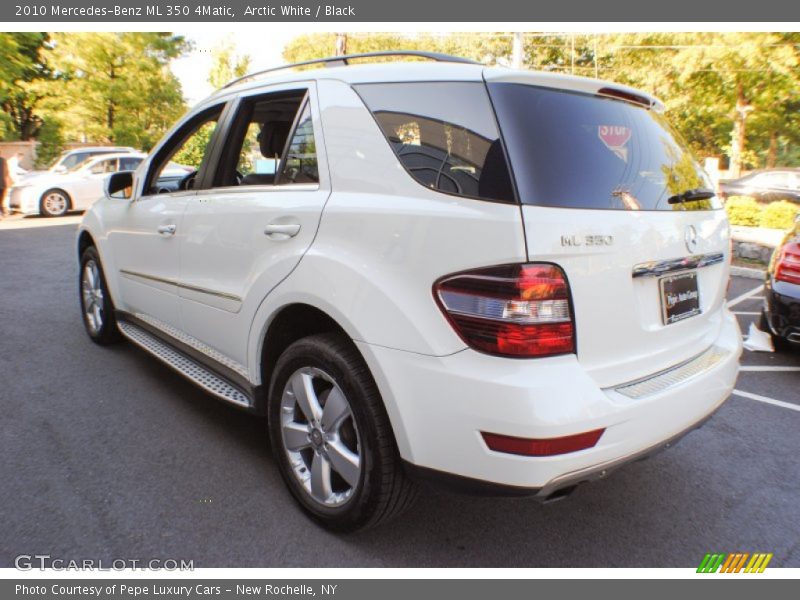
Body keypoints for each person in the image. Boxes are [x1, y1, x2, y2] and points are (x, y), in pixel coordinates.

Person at [0, 155, 11, 219]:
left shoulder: (3, 160)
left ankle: (2, 212)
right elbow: (7, 172)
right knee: (1, 200)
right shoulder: (3, 160)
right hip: (3, 183)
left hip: (3, 182)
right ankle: (2, 211)